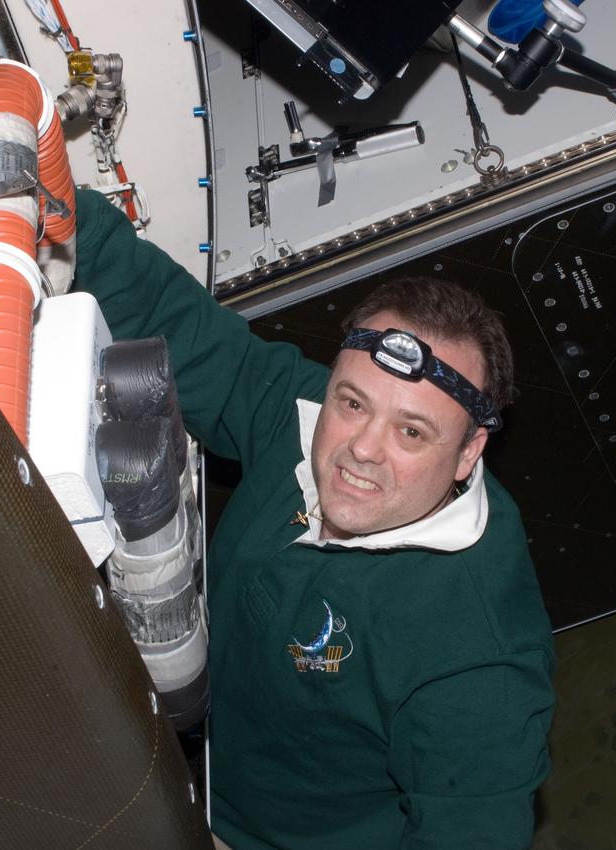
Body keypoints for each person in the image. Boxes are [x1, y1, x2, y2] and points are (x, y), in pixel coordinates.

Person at [72, 188, 555, 850]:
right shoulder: (301, 417)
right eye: (353, 404)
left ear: (470, 451)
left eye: (412, 433)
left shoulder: (477, 664)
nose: (362, 447)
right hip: (179, 748)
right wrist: (67, 216)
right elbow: (186, 334)